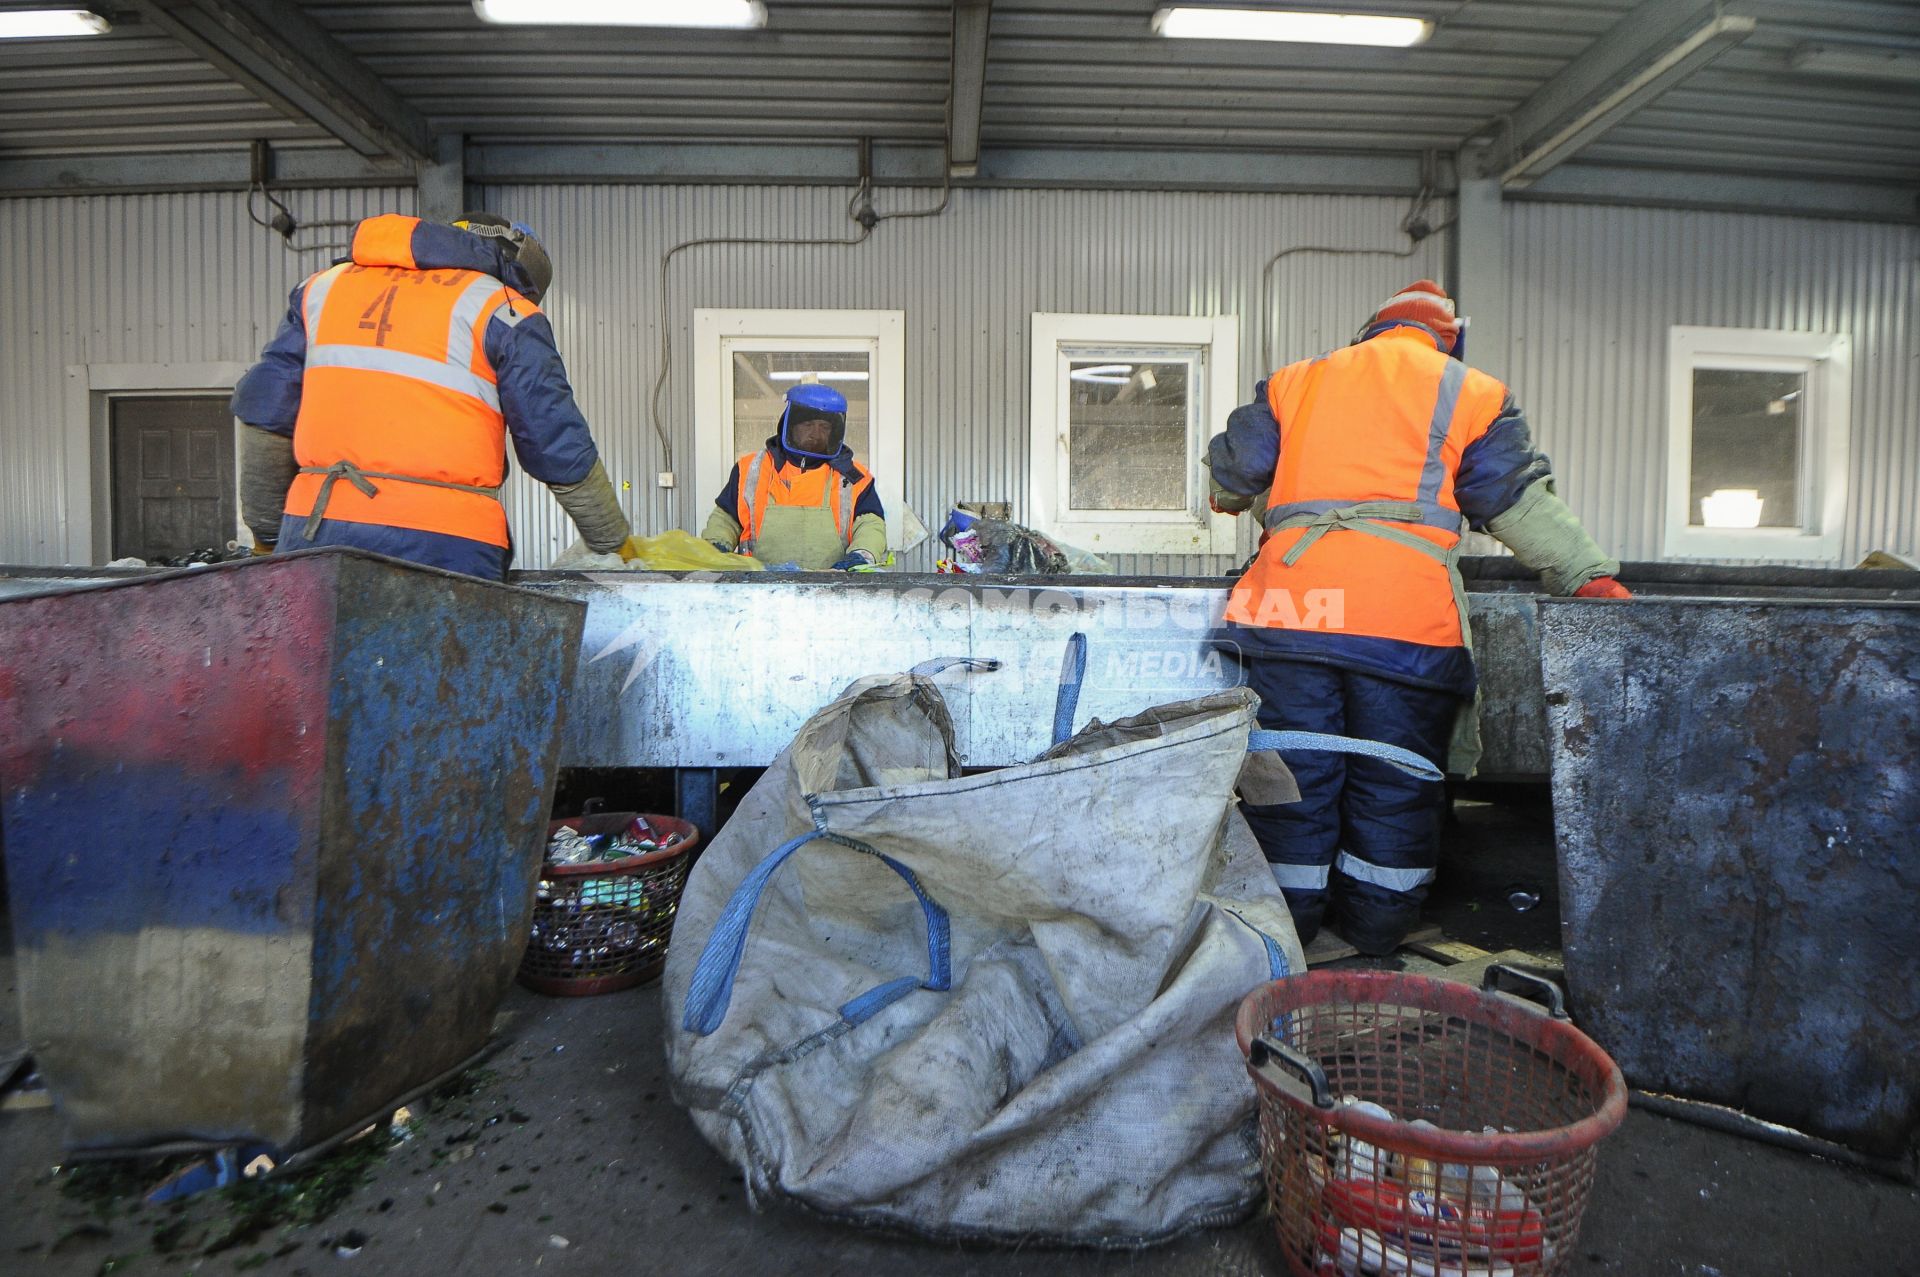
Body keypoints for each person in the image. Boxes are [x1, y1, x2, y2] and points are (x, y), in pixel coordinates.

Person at [1207, 280, 1630, 955]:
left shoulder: (1298, 380)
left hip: (1291, 612)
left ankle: (1282, 938)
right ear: (1446, 338)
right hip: (1403, 623)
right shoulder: (1471, 390)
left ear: (1368, 332)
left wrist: (1232, 495)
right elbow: (1517, 502)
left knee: (1290, 779)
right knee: (1394, 780)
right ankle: (1376, 936)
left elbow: (1234, 475)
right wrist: (1591, 576)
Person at [232, 211, 631, 580]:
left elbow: (266, 415)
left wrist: (269, 535)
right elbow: (556, 439)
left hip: (314, 533)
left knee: (314, 657)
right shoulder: (502, 307)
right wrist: (614, 545)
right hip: (445, 545)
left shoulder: (320, 291)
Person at [703, 384, 887, 571]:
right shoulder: (751, 468)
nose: (816, 434)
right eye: (808, 425)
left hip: (831, 590)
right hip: (757, 590)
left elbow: (870, 524)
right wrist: (715, 547)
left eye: (824, 427)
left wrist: (861, 555)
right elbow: (726, 518)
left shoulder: (854, 477)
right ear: (789, 426)